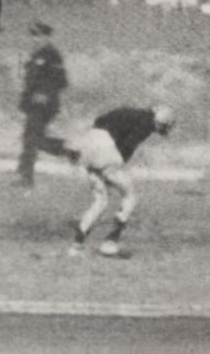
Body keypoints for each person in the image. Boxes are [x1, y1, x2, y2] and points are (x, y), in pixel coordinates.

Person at [54, 105, 176, 258]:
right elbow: (128, 146)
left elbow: (99, 121)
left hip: (88, 144)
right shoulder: (147, 122)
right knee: (130, 196)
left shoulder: (130, 112)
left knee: (100, 200)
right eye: (162, 127)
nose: (158, 130)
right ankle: (110, 242)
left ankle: (76, 246)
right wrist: (115, 166)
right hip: (105, 149)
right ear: (160, 122)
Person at [16, 21, 68, 187]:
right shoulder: (36, 55)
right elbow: (30, 82)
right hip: (34, 104)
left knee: (32, 139)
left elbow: (60, 80)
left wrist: (44, 94)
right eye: (32, 35)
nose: (34, 39)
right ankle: (24, 174)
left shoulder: (52, 54)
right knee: (31, 138)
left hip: (45, 104)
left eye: (38, 35)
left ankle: (26, 177)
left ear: (46, 37)